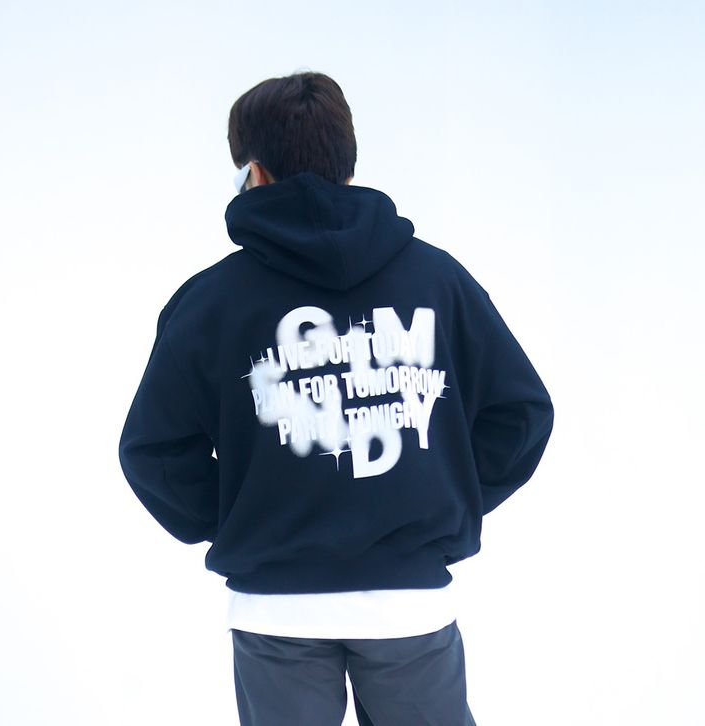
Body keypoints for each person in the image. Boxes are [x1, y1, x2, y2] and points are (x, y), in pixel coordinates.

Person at [118, 70, 555, 726]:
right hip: (407, 603)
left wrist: (240, 515)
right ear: (350, 163)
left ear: (255, 173)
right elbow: (520, 414)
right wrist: (439, 500)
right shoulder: (439, 281)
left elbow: (153, 449)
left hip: (277, 608)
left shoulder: (210, 301)